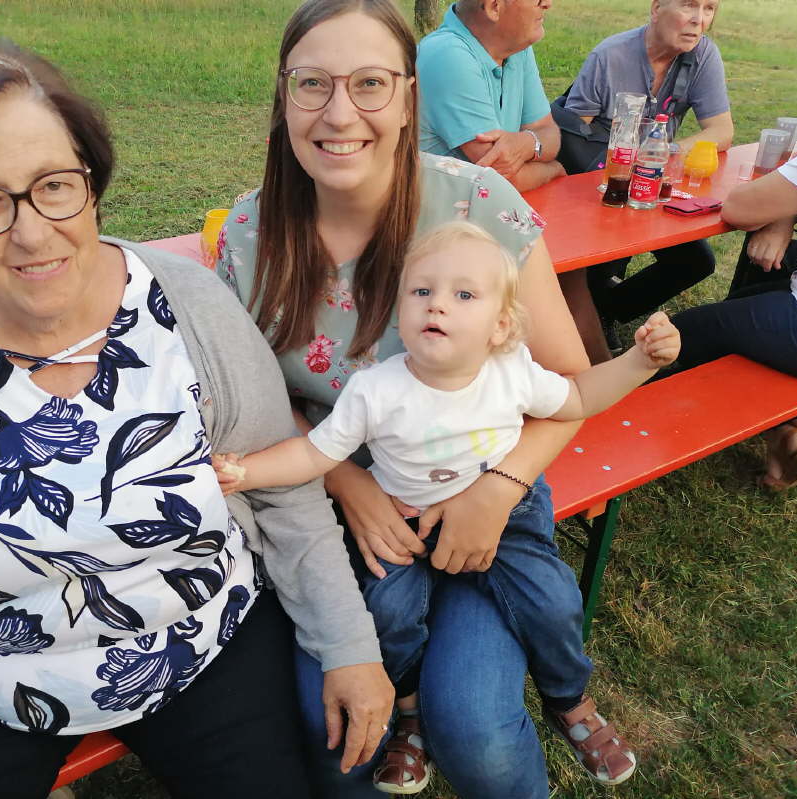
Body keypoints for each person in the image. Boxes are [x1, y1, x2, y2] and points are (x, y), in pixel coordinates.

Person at [0, 38, 395, 799]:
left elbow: (284, 490)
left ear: (92, 183)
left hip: (201, 644)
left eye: (54, 185)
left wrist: (349, 646)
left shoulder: (188, 305)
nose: (31, 232)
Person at [215, 1, 634, 796]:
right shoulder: (249, 232)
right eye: (313, 83)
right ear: (284, 97)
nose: (341, 113)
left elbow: (569, 383)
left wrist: (496, 492)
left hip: (487, 500)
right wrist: (349, 483)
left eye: (370, 84)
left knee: (477, 732)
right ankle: (403, 711)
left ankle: (503, 705)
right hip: (346, 522)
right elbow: (258, 398)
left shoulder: (481, 204)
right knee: (337, 727)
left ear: (410, 98)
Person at [216, 221, 680, 792]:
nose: (437, 304)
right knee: (385, 615)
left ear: (500, 326)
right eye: (422, 291)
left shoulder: (512, 372)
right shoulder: (375, 389)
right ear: (400, 312)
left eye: (464, 295)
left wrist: (639, 363)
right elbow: (315, 453)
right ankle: (409, 714)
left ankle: (568, 698)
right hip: (403, 523)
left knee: (553, 600)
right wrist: (247, 472)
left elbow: (579, 396)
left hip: (506, 519)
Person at [669, 29, 797, 490]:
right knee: (752, 293)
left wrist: (777, 213)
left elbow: (741, 207)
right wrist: (782, 216)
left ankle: (610, 431)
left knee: (680, 335)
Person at [563, 0, 734, 363]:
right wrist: (622, 164)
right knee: (600, 257)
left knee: (696, 261)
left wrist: (661, 152)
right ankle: (585, 312)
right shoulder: (610, 55)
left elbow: (721, 130)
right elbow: (572, 131)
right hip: (599, 185)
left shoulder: (703, 54)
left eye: (709, 8)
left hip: (652, 182)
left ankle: (606, 308)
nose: (699, 20)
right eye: (689, 5)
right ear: (656, 8)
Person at [416, 0, 566, 193]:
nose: (547, 3)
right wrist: (554, 169)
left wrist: (526, 143)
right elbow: (498, 180)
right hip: (441, 209)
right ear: (493, 7)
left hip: (489, 207)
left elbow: (548, 131)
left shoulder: (515, 47)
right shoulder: (447, 56)